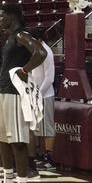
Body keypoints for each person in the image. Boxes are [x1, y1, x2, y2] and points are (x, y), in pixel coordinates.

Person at [0, 4, 48, 183]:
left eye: (1, 16)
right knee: (3, 140)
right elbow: (5, 70)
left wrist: (24, 71)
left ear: (12, 17)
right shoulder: (9, 38)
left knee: (17, 142)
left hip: (15, 95)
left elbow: (40, 53)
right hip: (4, 93)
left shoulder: (22, 35)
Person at [33, 38, 57, 173]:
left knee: (47, 127)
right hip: (35, 95)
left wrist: (38, 94)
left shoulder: (47, 52)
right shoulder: (35, 51)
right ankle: (39, 155)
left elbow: (49, 78)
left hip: (45, 95)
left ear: (39, 39)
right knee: (36, 127)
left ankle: (49, 159)